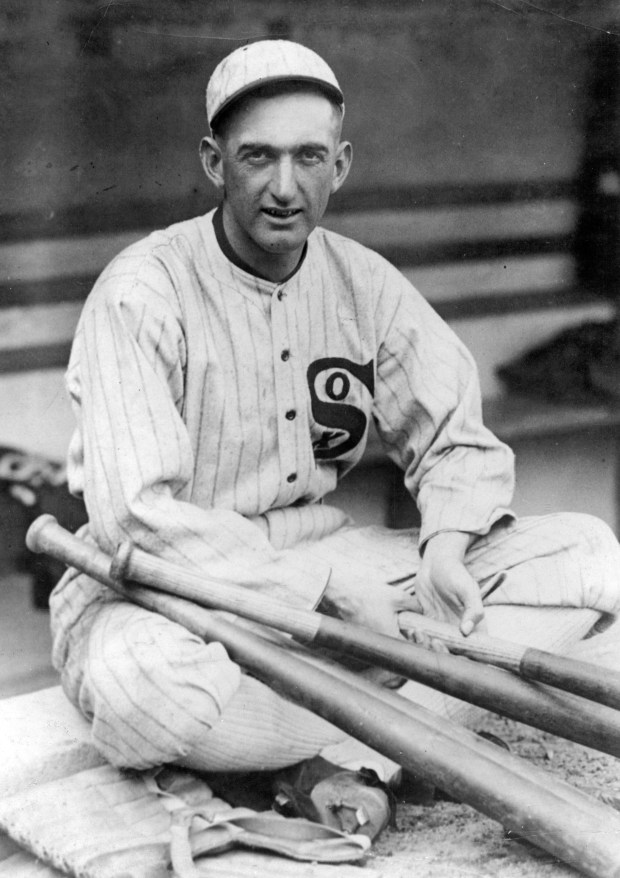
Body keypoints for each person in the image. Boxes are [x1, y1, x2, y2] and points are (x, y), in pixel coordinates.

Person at [50, 39, 620, 830]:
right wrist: (316, 594)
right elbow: (138, 524)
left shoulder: (362, 280)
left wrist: (446, 546)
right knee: (147, 696)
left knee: (590, 558)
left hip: (324, 557)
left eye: (309, 157)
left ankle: (325, 730)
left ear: (341, 164)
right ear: (215, 163)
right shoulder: (141, 293)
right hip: (163, 593)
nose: (285, 187)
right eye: (258, 157)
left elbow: (454, 434)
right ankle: (400, 729)